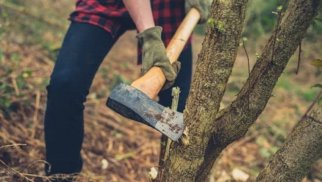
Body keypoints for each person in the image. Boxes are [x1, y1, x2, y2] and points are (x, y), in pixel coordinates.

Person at [44, 0, 209, 177]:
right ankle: (62, 175)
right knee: (66, 85)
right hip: (107, 3)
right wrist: (150, 37)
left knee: (177, 113)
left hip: (167, 5)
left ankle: (175, 177)